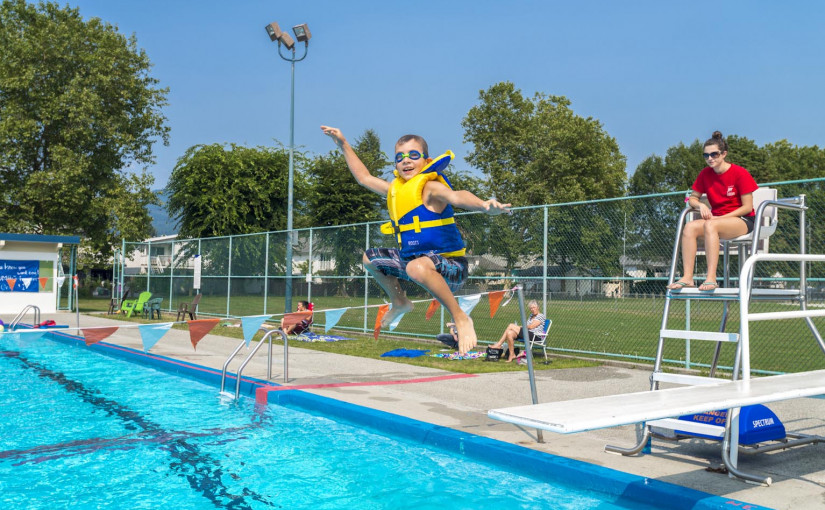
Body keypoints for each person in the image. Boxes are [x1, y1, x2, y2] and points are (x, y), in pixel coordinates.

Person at [320, 126, 511, 354]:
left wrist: (483, 205)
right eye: (400, 157)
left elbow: (457, 195)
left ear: (426, 160)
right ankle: (399, 301)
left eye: (413, 155)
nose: (406, 161)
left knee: (416, 266)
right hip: (416, 265)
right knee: (370, 258)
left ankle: (460, 318)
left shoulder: (430, 187)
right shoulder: (396, 190)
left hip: (450, 268)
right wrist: (342, 142)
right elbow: (364, 178)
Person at [667, 131, 758, 292]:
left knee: (710, 226)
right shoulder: (705, 174)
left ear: (724, 154)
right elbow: (692, 198)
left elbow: (746, 207)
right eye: (706, 155)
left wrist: (719, 218)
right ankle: (688, 277)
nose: (710, 158)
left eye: (714, 154)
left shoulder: (740, 173)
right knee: (689, 227)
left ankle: (711, 278)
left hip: (743, 220)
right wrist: (701, 205)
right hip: (717, 220)